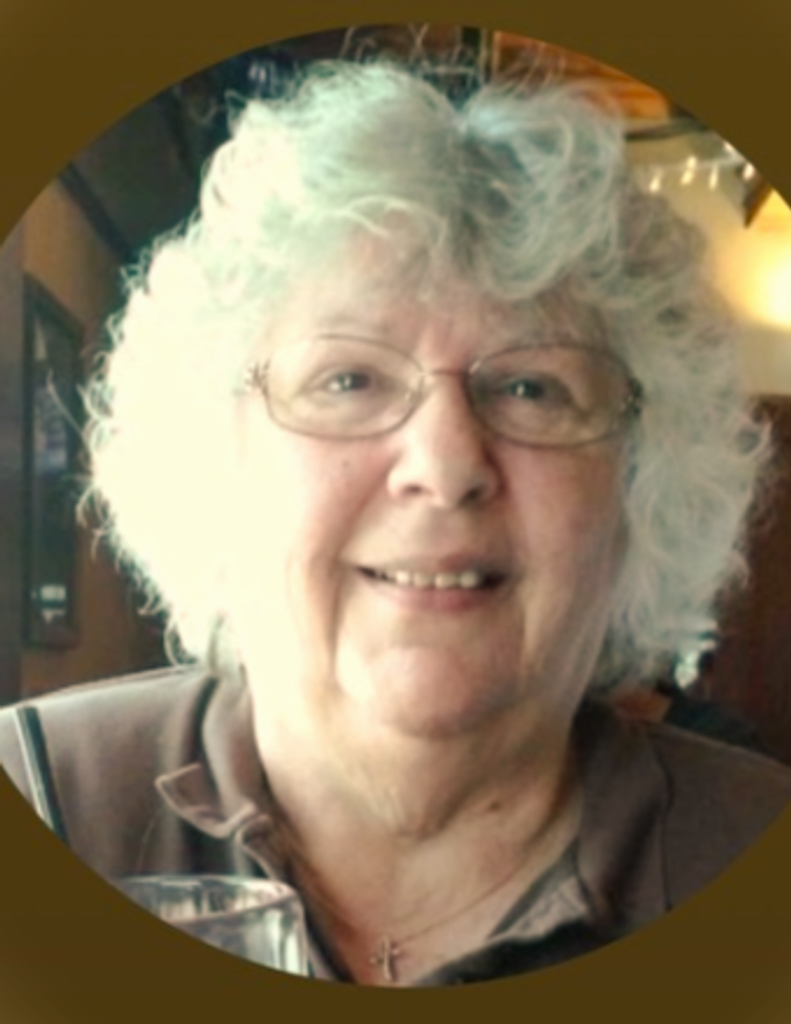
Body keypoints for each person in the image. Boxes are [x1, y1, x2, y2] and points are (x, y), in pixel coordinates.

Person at [2, 60, 791, 987]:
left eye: (532, 388)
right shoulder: (37, 794)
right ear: (212, 459)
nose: (446, 466)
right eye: (347, 379)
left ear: (639, 489)